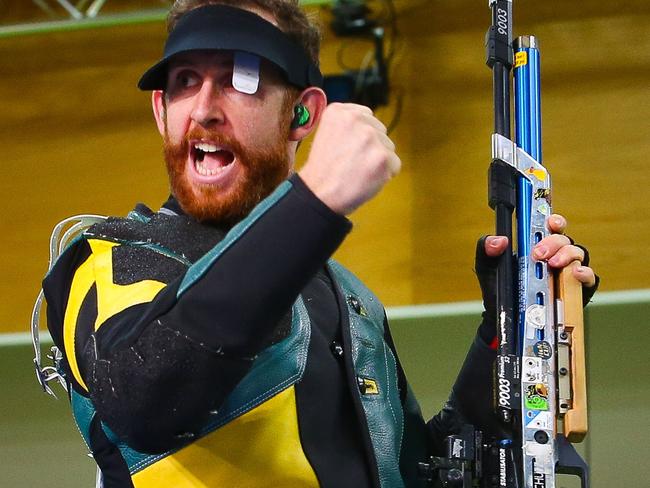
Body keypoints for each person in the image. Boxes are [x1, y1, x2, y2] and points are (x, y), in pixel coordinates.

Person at [41, 1, 598, 487]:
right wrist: (317, 199)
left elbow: (425, 470)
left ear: (303, 112)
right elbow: (145, 394)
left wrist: (510, 324)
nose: (205, 107)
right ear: (161, 111)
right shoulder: (110, 259)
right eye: (185, 80)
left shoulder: (348, 298)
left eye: (242, 77)